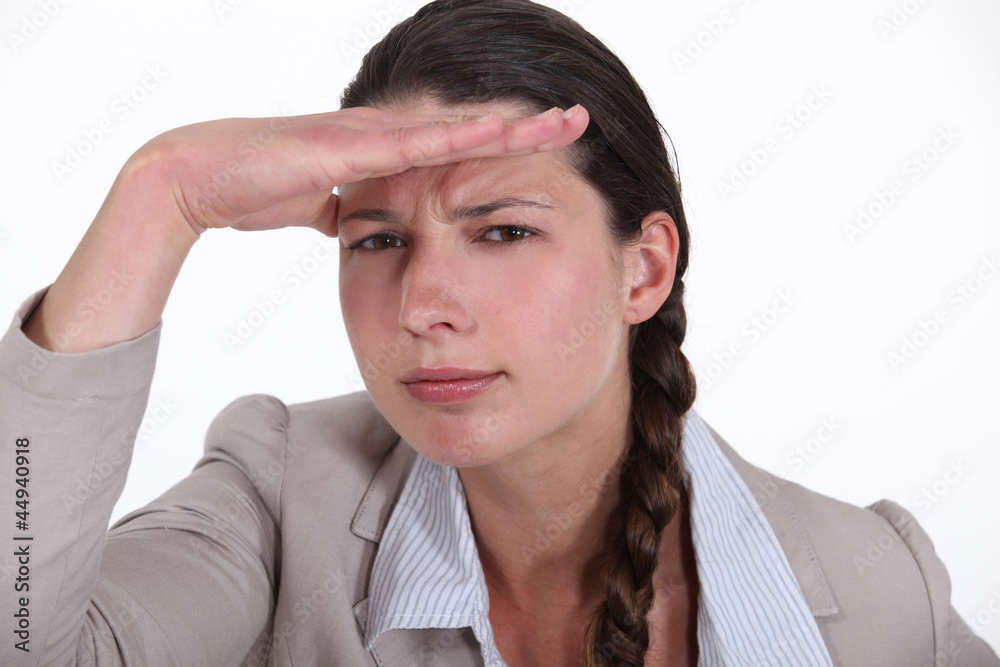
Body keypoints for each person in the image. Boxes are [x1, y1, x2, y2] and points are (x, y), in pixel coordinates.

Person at [0, 0, 996, 665]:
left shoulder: (879, 592)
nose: (422, 302)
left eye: (503, 230)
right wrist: (160, 195)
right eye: (378, 236)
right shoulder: (278, 496)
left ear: (641, 267)